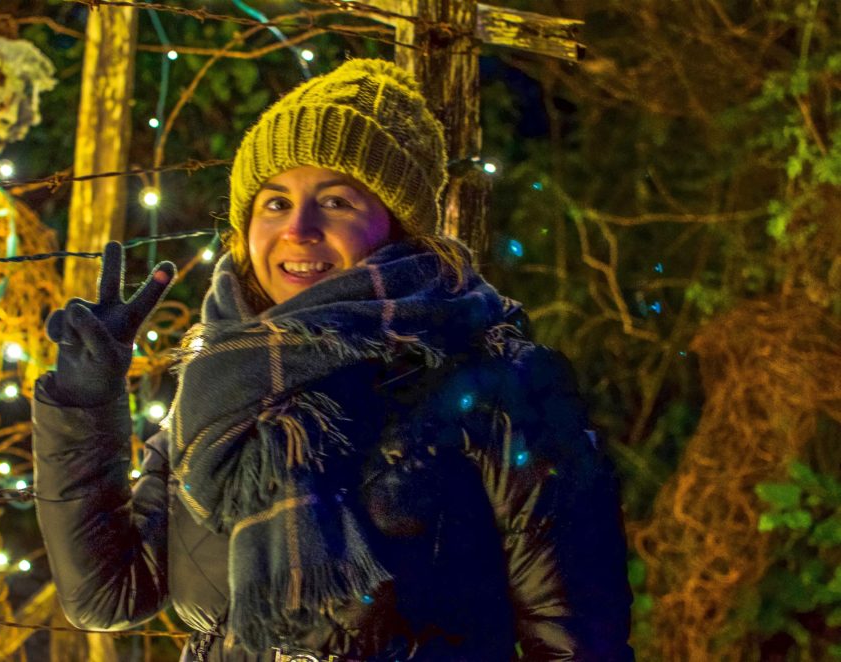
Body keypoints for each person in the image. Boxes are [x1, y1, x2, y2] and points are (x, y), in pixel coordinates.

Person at [33, 59, 634, 661]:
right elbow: (108, 596)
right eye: (273, 203)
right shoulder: (218, 384)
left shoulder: (497, 382)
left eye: (337, 201)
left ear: (397, 225)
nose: (299, 228)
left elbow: (577, 640)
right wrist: (88, 401)